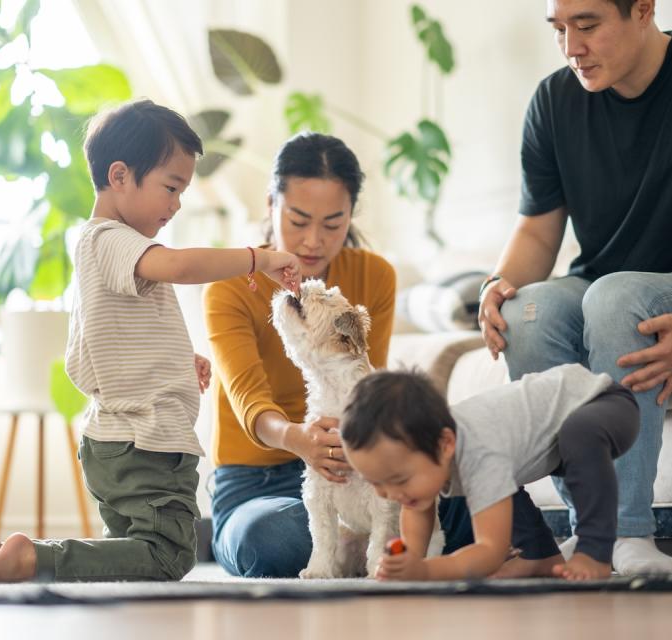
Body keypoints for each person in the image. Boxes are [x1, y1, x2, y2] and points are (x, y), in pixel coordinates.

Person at [0, 99, 301, 584]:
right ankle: (33, 559)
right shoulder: (112, 240)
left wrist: (183, 359)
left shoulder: (105, 248)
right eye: (170, 187)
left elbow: (108, 336)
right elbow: (181, 267)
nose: (176, 203)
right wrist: (258, 258)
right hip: (147, 442)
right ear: (119, 176)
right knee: (166, 556)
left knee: (129, 558)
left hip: (116, 441)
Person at [478, 0, 672, 576]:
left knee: (615, 297)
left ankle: (627, 534)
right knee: (529, 311)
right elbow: (537, 229)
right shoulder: (553, 100)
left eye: (588, 25)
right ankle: (592, 528)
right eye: (559, 30)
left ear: (643, 10)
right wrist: (500, 284)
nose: (572, 48)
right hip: (599, 282)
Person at [205, 132, 486, 578]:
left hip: (355, 466)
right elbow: (249, 401)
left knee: (465, 506)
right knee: (280, 538)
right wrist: (302, 440)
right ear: (270, 205)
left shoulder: (374, 275)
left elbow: (366, 385)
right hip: (256, 482)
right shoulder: (230, 285)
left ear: (351, 214)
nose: (313, 241)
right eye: (298, 220)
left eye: (333, 223)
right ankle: (254, 536)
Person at [340, 367, 640, 581]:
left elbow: (490, 551)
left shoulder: (478, 449)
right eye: (376, 484)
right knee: (494, 489)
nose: (390, 494)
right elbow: (415, 512)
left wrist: (426, 571)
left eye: (399, 480)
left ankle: (595, 551)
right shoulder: (429, 453)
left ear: (445, 444)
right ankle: (539, 555)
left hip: (602, 401)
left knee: (580, 433)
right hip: (551, 437)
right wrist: (407, 564)